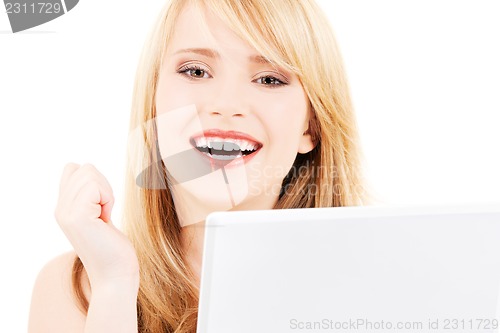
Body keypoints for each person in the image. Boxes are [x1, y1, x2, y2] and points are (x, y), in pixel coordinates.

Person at [28, 0, 367, 332]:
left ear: (311, 125)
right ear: (155, 104)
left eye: (269, 79)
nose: (226, 104)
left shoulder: (373, 278)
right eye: (196, 71)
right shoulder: (76, 288)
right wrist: (114, 288)